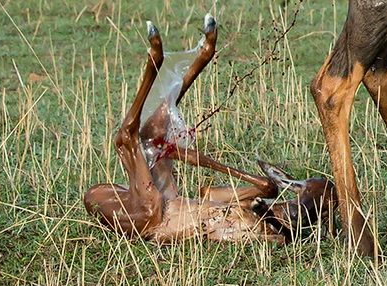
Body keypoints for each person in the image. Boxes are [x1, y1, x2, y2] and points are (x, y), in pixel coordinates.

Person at [84, 16, 336, 244]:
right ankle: (203, 56)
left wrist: (260, 204)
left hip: (155, 222)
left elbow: (215, 208)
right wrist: (262, 186)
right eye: (300, 199)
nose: (295, 209)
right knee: (153, 134)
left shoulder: (273, 236)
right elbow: (209, 194)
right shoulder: (261, 203)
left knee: (132, 148)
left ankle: (155, 62)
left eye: (308, 208)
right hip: (163, 205)